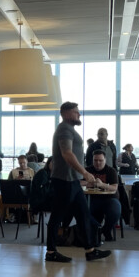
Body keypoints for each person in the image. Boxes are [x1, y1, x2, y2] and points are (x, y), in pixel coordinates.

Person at [46, 102, 111, 263]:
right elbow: (67, 153)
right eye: (76, 112)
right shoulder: (64, 130)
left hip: (72, 180)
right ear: (66, 113)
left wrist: (80, 175)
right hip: (64, 180)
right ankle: (51, 251)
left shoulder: (69, 130)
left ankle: (90, 250)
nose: (79, 114)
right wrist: (85, 172)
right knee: (57, 217)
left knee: (83, 215)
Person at [85, 149, 122, 242]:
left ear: (105, 160)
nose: (98, 163)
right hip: (93, 198)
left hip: (110, 198)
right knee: (85, 211)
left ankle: (105, 230)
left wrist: (101, 185)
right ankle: (96, 230)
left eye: (100, 160)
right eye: (95, 160)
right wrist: (91, 183)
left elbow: (114, 187)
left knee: (115, 211)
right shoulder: (87, 170)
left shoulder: (111, 171)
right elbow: (78, 182)